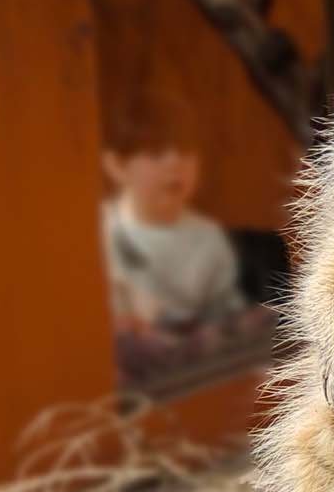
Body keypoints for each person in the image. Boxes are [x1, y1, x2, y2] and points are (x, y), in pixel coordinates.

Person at [100, 89, 270, 385]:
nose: (174, 165)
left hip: (189, 373)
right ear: (116, 165)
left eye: (186, 153)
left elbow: (226, 321)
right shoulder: (101, 231)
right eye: (155, 154)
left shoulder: (208, 239)